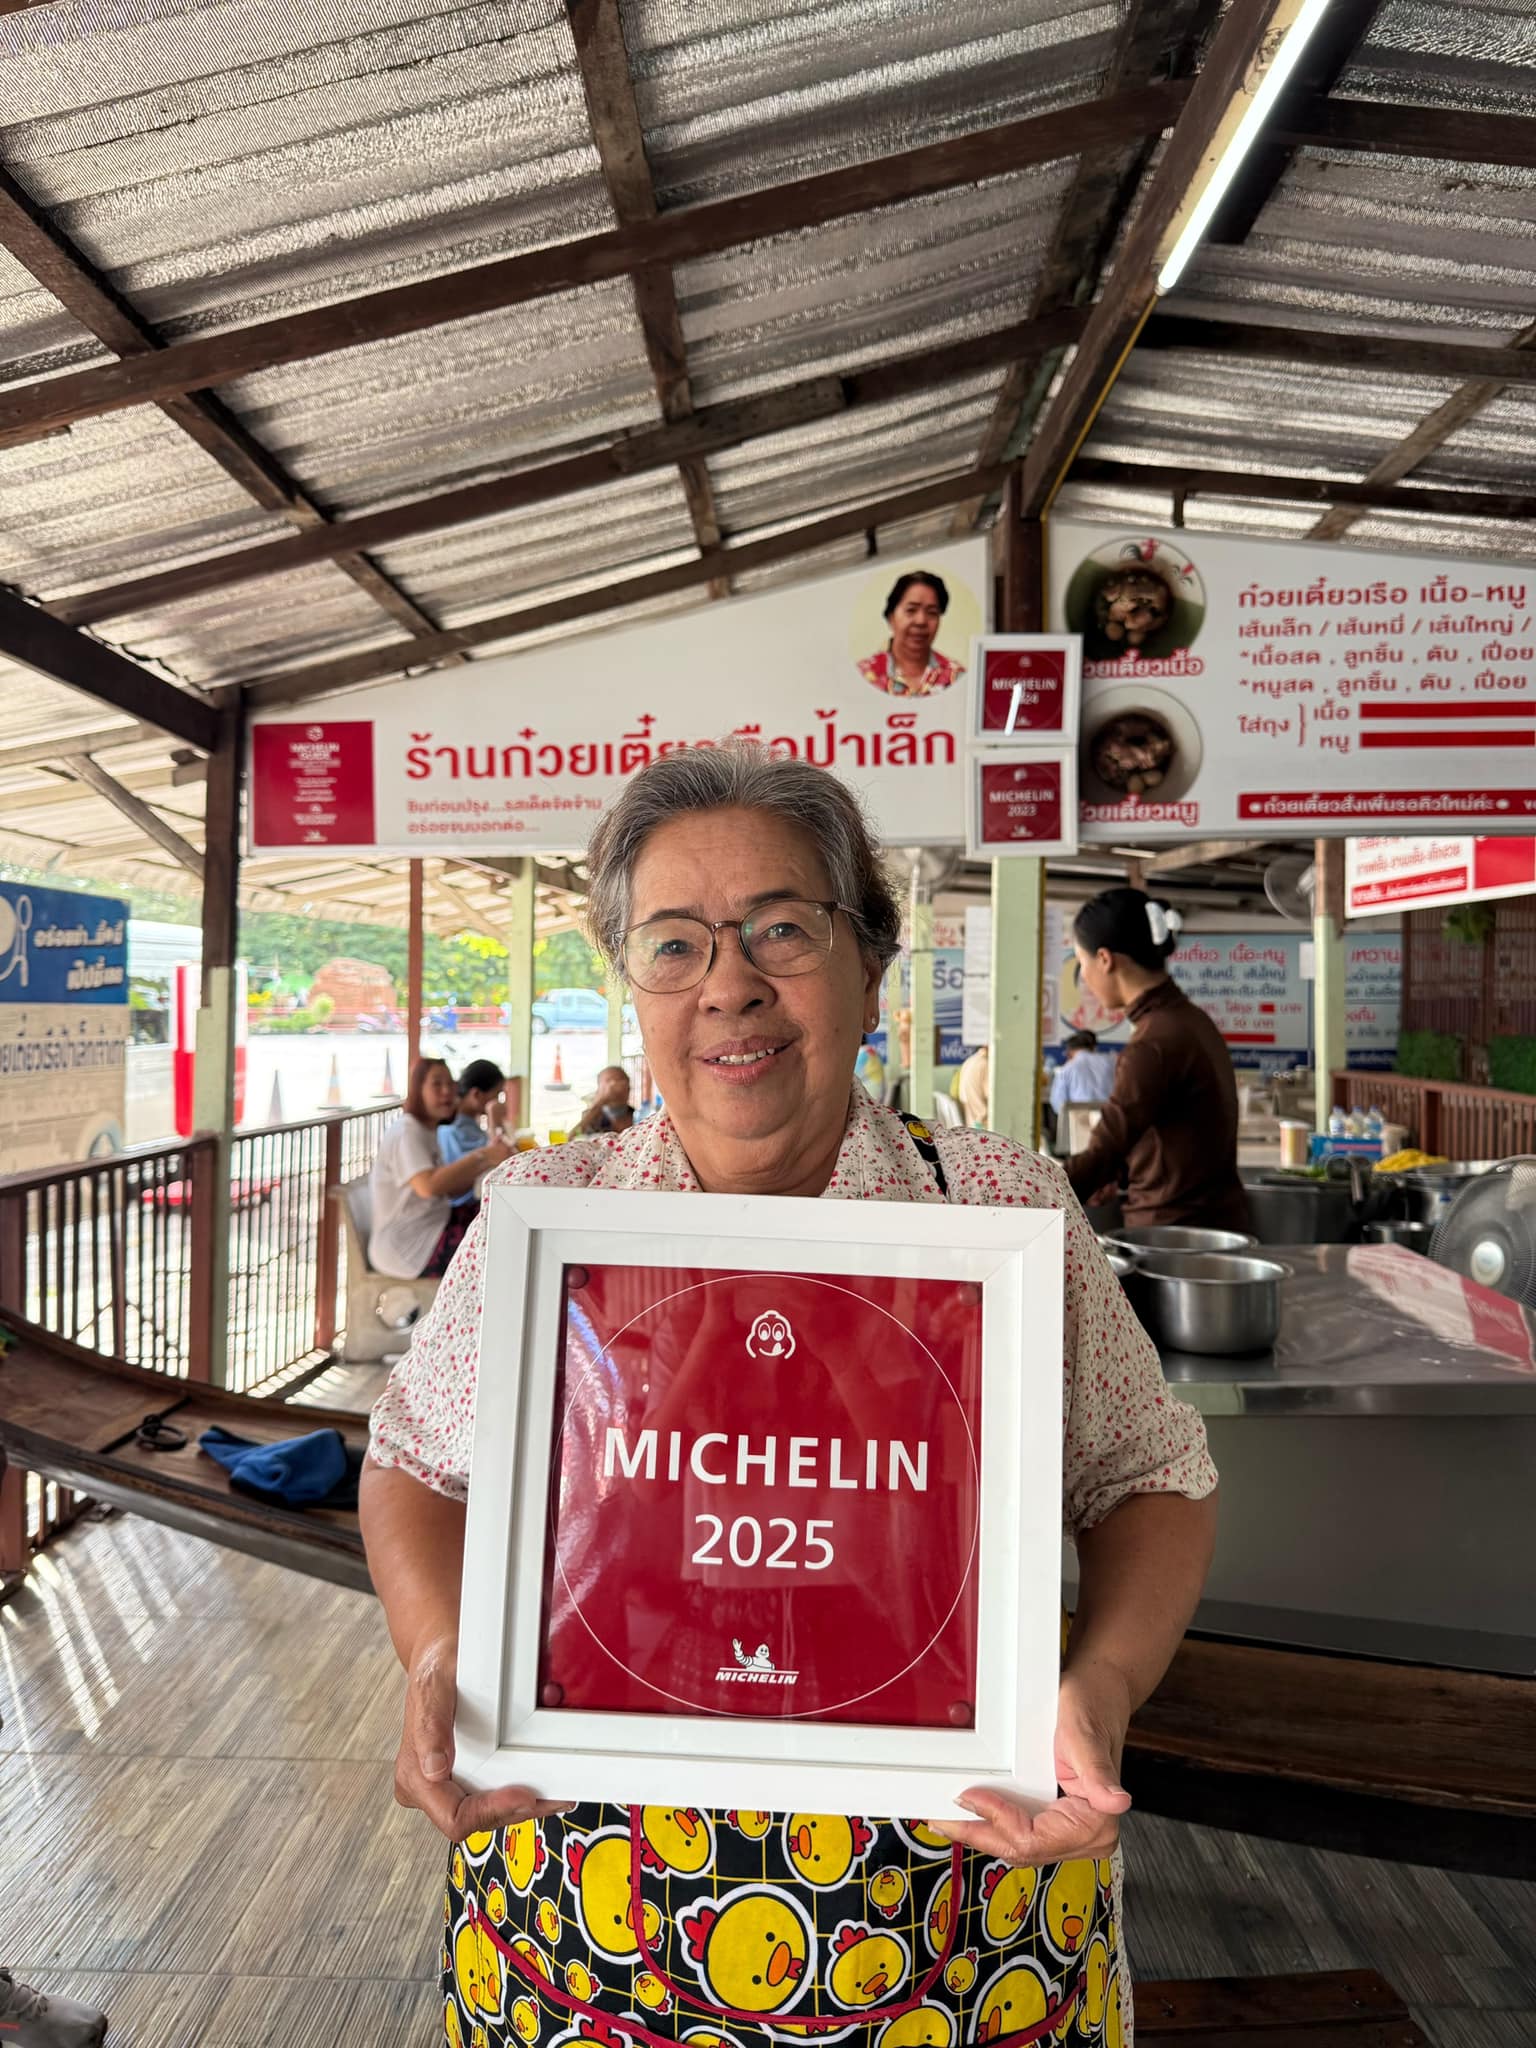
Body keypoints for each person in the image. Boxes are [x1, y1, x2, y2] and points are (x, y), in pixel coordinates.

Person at [363, 749, 1216, 2048]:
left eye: (781, 929)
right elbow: (417, 1467)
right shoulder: (554, 1220)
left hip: (958, 1918)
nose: (730, 984)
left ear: (870, 963)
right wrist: (439, 1657)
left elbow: (1149, 1476)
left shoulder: (993, 1208)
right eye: (673, 946)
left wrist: (1096, 1691)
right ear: (633, 988)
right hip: (592, 1925)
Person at [1064, 888, 1248, 1231]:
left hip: (1172, 1236)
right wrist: (1118, 1172)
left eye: (1082, 963)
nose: (1084, 979)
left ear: (1105, 960)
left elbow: (1104, 1150)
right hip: (1211, 1223)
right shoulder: (1189, 1020)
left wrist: (1031, 1196)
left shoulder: (1154, 1043)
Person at [367, 1056, 512, 1278]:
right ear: (417, 1090)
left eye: (450, 1084)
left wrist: (488, 1160)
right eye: (437, 1084)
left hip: (435, 1225)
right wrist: (483, 1156)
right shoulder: (407, 1130)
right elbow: (428, 1186)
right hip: (409, 1246)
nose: (447, 1092)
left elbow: (450, 1189)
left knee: (505, 1219)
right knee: (502, 1245)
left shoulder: (427, 1130)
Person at [857, 570, 965, 697]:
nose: (921, 621)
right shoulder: (864, 675)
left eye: (931, 612)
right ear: (891, 617)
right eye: (911, 610)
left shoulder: (957, 676)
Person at [439, 1058, 508, 1204]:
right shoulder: (452, 1130)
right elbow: (498, 1158)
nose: (499, 1101)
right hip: (465, 1209)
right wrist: (494, 1120)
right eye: (497, 1094)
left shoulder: (469, 1123)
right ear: (476, 1094)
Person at [576, 1063, 634, 1135]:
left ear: (628, 1088)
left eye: (620, 1080)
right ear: (598, 1088)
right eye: (608, 1081)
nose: (614, 1085)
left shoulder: (637, 1115)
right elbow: (572, 1138)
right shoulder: (591, 1116)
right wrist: (600, 1102)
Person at [955, 1041, 989, 1125]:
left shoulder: (969, 1061)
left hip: (972, 1122)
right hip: (984, 1123)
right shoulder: (985, 1064)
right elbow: (992, 1096)